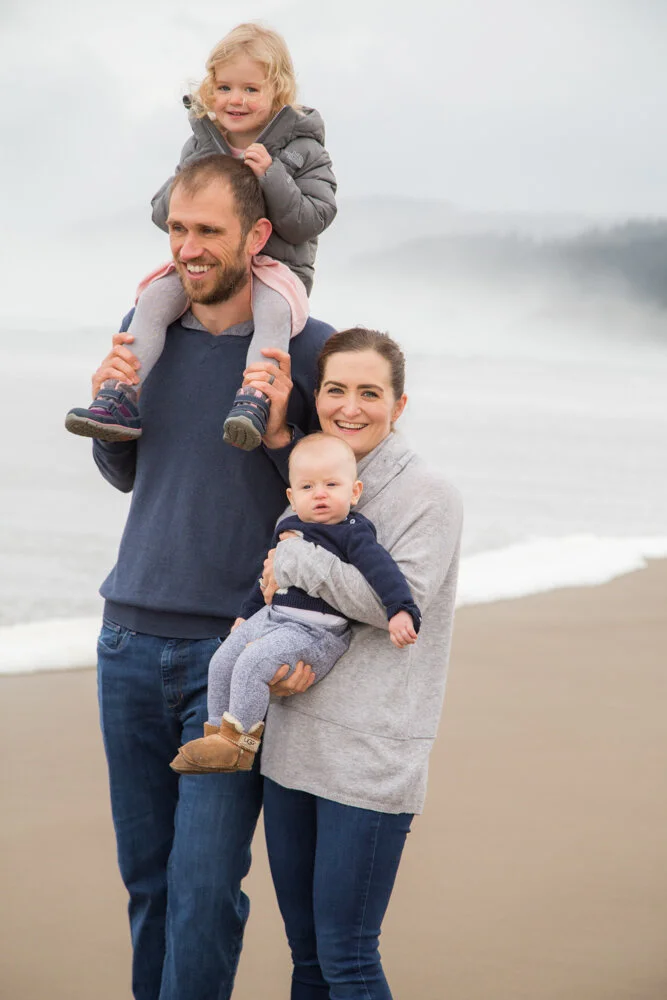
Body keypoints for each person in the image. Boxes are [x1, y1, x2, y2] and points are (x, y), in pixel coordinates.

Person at [92, 152, 333, 1000]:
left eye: (207, 232)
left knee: (201, 891)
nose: (187, 249)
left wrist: (275, 435)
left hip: (230, 659)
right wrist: (109, 415)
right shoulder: (147, 328)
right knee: (149, 886)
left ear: (258, 236)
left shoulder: (310, 351)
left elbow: (328, 511)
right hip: (124, 640)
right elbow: (132, 477)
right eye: (176, 230)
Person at [242, 326, 463, 999]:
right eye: (336, 389)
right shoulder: (315, 476)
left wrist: (296, 557)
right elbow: (281, 601)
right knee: (304, 956)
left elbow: (394, 602)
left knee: (347, 957)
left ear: (398, 406)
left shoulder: (429, 493)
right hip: (293, 743)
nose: (350, 406)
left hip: (369, 757)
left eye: (370, 392)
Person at [66, 22, 336, 451]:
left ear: (278, 91)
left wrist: (273, 175)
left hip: (274, 271)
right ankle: (119, 395)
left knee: (272, 316)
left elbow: (313, 218)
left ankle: (256, 399)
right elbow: (163, 212)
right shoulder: (200, 143)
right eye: (225, 87)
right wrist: (200, 174)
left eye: (250, 88)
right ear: (210, 88)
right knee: (152, 299)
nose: (236, 99)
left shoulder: (305, 149)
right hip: (209, 270)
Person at [170, 432, 421, 775]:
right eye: (307, 487)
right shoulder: (288, 527)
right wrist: (246, 616)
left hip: (318, 632)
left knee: (254, 662)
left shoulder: (353, 532)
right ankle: (217, 731)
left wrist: (400, 610)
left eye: (332, 484)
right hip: (274, 616)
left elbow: (383, 573)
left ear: (354, 491)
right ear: (292, 495)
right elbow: (267, 580)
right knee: (223, 657)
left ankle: (238, 744)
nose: (319, 493)